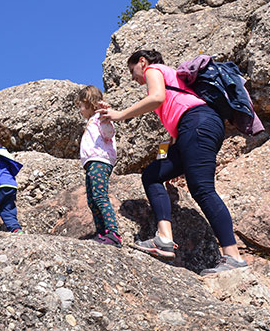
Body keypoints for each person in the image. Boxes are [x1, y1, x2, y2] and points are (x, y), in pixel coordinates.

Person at [98, 49, 248, 275]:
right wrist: (177, 154)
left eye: (132, 71)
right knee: (152, 175)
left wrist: (120, 114)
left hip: (198, 123)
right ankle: (164, 239)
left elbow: (156, 97)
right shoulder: (172, 78)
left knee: (203, 189)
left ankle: (233, 257)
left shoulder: (153, 69)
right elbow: (176, 112)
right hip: (194, 128)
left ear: (142, 61)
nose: (133, 77)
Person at [76, 85, 121, 247]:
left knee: (100, 197)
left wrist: (105, 117)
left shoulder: (100, 118)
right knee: (92, 199)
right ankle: (101, 232)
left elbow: (109, 133)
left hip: (100, 161)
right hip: (90, 163)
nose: (80, 110)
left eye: (81, 106)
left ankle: (112, 232)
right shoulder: (91, 121)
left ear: (88, 102)